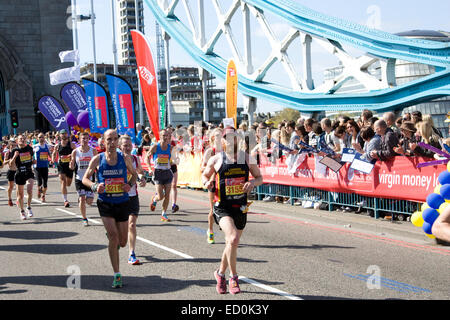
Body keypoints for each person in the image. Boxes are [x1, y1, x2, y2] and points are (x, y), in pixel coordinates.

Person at [201, 126, 263, 295]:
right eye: (226, 137)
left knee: (232, 243)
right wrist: (207, 183)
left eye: (233, 137)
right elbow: (204, 175)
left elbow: (259, 177)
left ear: (238, 139)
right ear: (222, 141)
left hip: (240, 206)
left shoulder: (247, 159)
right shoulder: (216, 159)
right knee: (233, 238)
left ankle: (219, 274)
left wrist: (252, 183)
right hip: (222, 206)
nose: (230, 140)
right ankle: (233, 278)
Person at [82, 129, 137, 288]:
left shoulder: (125, 158)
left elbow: (134, 175)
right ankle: (117, 274)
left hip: (122, 202)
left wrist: (129, 184)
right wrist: (94, 186)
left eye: (114, 139)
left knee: (123, 242)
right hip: (105, 202)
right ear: (103, 142)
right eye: (109, 140)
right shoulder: (97, 159)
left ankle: (114, 235)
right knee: (113, 238)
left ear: (118, 141)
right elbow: (85, 178)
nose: (112, 143)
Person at [119, 134, 146, 265]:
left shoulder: (135, 158)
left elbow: (140, 171)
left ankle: (131, 253)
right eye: (125, 145)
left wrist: (142, 178)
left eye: (129, 145)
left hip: (133, 196)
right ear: (120, 146)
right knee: (121, 226)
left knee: (131, 224)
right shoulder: (116, 159)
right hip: (119, 197)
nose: (128, 147)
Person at [70, 131, 98, 226]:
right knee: (82, 199)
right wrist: (71, 166)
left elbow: (97, 165)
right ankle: (84, 218)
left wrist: (98, 174)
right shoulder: (75, 151)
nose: (85, 140)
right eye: (83, 138)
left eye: (87, 138)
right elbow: (72, 166)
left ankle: (83, 199)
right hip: (79, 178)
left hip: (90, 179)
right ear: (79, 140)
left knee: (89, 202)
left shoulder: (93, 151)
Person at [148, 129, 176, 222]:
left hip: (167, 172)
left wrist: (174, 161)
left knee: (167, 195)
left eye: (167, 135)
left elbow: (172, 160)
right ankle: (155, 200)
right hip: (158, 173)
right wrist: (149, 168)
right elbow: (147, 157)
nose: (165, 137)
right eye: (163, 135)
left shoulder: (170, 148)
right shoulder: (155, 146)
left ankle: (164, 214)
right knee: (160, 196)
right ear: (160, 136)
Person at [201, 127, 223, 244]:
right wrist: (212, 168)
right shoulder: (210, 151)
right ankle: (210, 230)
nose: (221, 138)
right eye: (218, 136)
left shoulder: (226, 150)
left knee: (227, 209)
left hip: (225, 183)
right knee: (213, 209)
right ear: (213, 138)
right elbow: (202, 168)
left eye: (222, 135)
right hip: (214, 183)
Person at [10, 134, 36, 220]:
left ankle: (28, 207)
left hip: (28, 172)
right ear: (17, 141)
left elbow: (31, 160)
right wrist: (14, 157)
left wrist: (33, 162)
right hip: (19, 173)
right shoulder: (14, 150)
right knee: (20, 195)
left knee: (30, 189)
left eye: (24, 139)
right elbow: (10, 165)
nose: (23, 140)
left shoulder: (29, 149)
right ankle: (22, 211)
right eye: (21, 139)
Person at [52, 129, 75, 207]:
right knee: (63, 181)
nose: (64, 135)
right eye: (62, 134)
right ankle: (65, 200)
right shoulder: (57, 145)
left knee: (68, 183)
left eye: (65, 134)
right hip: (61, 165)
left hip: (69, 165)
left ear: (67, 135)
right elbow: (54, 153)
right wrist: (52, 159)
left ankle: (66, 188)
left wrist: (71, 156)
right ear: (60, 136)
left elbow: (76, 153)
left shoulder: (71, 145)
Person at [33, 133, 51, 202]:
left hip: (45, 166)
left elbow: (50, 154)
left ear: (44, 138)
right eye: (40, 137)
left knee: (45, 184)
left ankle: (43, 196)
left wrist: (51, 159)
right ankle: (39, 189)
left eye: (42, 137)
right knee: (39, 182)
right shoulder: (35, 146)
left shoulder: (47, 146)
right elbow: (31, 155)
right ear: (37, 138)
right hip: (37, 167)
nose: (41, 138)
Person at [4, 139, 18, 207]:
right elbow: (4, 162)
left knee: (18, 186)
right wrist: (10, 160)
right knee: (11, 187)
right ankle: (9, 199)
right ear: (9, 146)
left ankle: (18, 199)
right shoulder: (7, 153)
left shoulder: (17, 152)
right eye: (12, 145)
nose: (13, 147)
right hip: (11, 171)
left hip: (18, 171)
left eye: (15, 145)